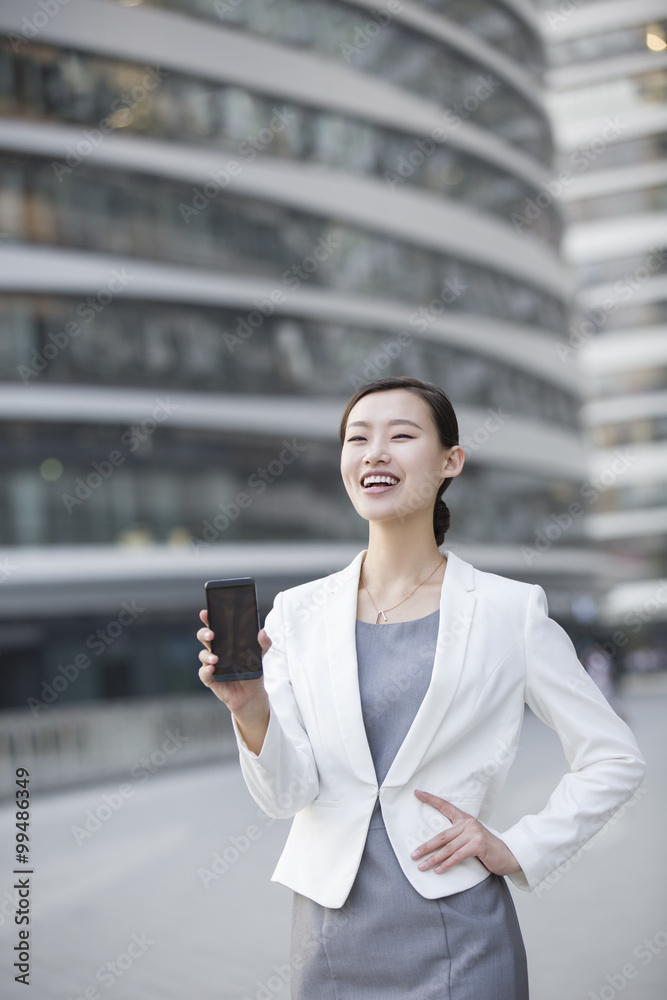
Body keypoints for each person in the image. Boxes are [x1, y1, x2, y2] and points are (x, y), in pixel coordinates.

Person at [197, 375, 646, 999]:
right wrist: (250, 711)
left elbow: (615, 757)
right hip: (330, 936)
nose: (375, 452)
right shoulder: (295, 615)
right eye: (358, 438)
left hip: (462, 932)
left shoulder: (506, 611)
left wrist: (518, 847)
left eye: (401, 436)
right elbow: (286, 795)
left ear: (449, 461)